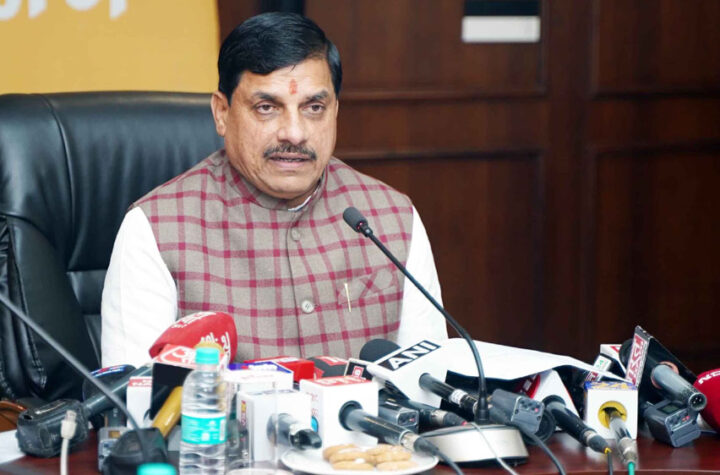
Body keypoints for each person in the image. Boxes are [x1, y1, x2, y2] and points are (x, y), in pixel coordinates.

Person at [101, 12, 447, 367]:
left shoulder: (392, 219)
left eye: (314, 108)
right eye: (267, 108)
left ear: (335, 111)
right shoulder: (155, 230)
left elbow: (430, 383)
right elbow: (133, 396)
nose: (294, 133)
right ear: (222, 113)